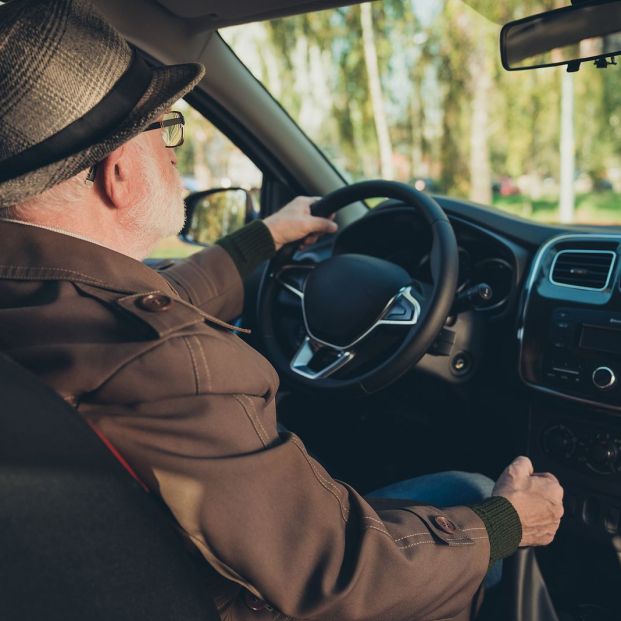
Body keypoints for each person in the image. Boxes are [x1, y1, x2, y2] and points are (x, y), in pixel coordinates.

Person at [0, 1, 564, 620]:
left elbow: (135, 311)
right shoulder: (176, 369)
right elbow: (345, 578)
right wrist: (512, 521)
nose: (173, 154)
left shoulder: (45, 307)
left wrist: (264, 239)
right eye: (164, 129)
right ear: (118, 174)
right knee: (472, 493)